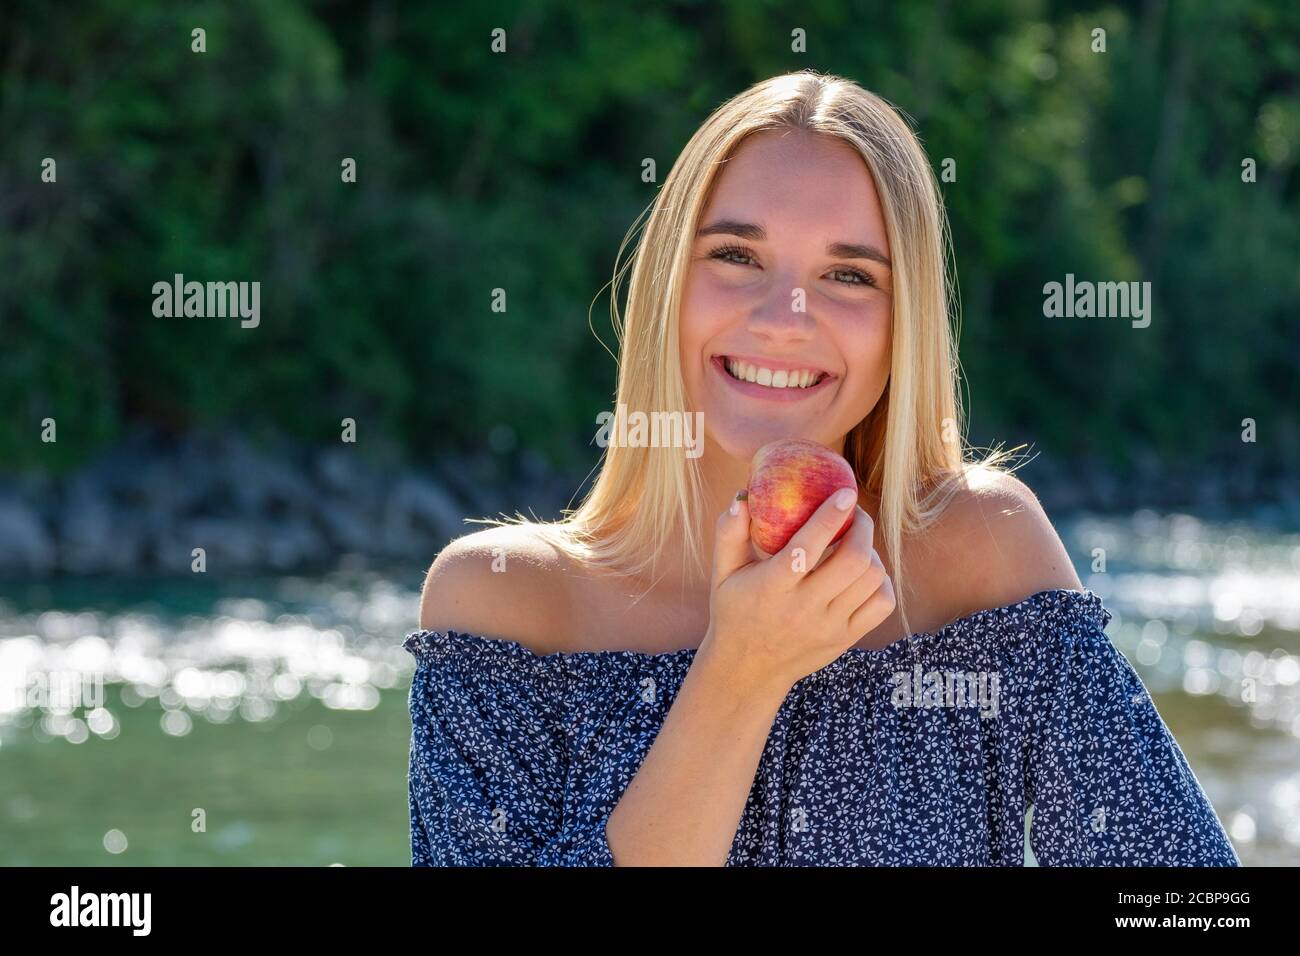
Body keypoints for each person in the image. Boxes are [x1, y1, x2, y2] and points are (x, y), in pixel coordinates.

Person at [405, 70, 1240, 867]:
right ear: (667, 285)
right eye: (736, 255)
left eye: (848, 275)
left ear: (900, 325)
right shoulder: (506, 606)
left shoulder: (982, 556)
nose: (783, 319)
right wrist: (741, 673)